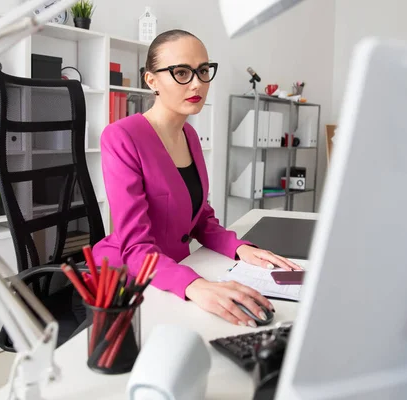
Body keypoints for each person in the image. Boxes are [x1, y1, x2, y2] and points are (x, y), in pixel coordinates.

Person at [93, 29, 301, 327]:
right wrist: (197, 286)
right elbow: (136, 248)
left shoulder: (189, 134)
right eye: (181, 72)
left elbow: (200, 217)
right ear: (151, 80)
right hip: (126, 284)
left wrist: (240, 249)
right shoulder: (122, 136)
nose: (197, 83)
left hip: (179, 268)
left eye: (203, 71)